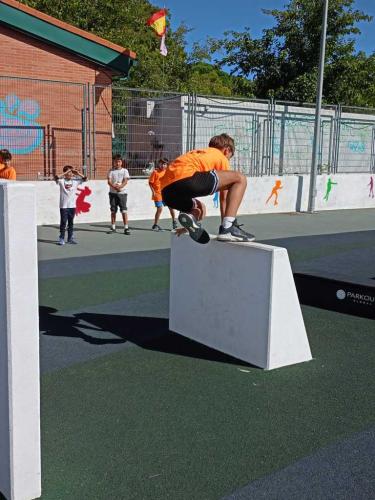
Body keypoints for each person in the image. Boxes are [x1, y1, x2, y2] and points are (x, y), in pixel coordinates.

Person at [160, 134, 255, 242]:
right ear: (227, 150)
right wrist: (225, 226)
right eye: (230, 157)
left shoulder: (198, 153)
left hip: (167, 192)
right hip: (187, 179)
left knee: (200, 208)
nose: (228, 160)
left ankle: (191, 218)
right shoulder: (221, 157)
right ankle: (229, 228)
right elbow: (224, 198)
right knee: (240, 178)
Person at [54, 165, 87, 245]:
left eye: (71, 172)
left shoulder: (75, 181)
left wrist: (78, 173)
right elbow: (56, 177)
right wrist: (66, 172)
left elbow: (85, 179)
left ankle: (70, 238)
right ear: (65, 173)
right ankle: (61, 238)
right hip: (64, 206)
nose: (71, 174)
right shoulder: (62, 181)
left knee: (71, 223)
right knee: (63, 222)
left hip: (72, 206)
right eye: (69, 172)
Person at [148, 158, 178, 231]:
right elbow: (150, 183)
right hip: (158, 194)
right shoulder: (155, 172)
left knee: (171, 207)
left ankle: (174, 222)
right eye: (161, 164)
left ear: (166, 165)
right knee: (159, 209)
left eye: (164, 164)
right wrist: (153, 192)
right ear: (159, 164)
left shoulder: (167, 172)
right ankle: (155, 225)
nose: (163, 165)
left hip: (166, 193)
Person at [108, 154, 131, 235]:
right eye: (116, 162)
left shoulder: (125, 171)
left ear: (121, 162)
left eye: (119, 161)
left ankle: (126, 228)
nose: (117, 163)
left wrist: (120, 186)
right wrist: (114, 187)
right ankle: (113, 227)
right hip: (112, 194)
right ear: (113, 162)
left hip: (122, 194)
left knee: (124, 211)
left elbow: (125, 181)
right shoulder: (111, 171)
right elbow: (109, 181)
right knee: (113, 211)